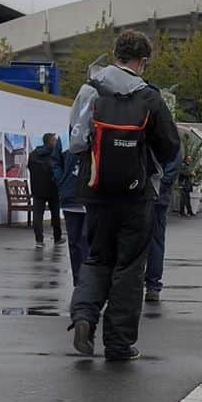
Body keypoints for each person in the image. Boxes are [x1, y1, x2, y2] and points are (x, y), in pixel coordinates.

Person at [67, 29, 181, 361]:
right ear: (142, 61)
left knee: (97, 257)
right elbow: (171, 145)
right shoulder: (149, 97)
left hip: (96, 192)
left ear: (115, 54)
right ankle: (118, 344)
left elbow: (75, 140)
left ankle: (84, 316)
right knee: (130, 268)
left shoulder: (90, 89)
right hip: (136, 196)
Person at [144, 150, 182, 302]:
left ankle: (148, 285)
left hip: (140, 194)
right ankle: (152, 286)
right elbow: (175, 161)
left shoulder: (138, 126)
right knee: (155, 241)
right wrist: (162, 184)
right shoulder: (169, 130)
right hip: (158, 195)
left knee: (135, 240)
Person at [51, 137, 87, 285]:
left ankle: (91, 283)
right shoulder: (65, 138)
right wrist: (61, 180)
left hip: (94, 197)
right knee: (75, 242)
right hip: (70, 196)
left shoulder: (98, 129)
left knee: (90, 240)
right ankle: (79, 281)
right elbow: (55, 162)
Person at [28, 132, 63, 247]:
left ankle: (39, 240)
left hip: (37, 189)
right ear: (51, 141)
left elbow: (30, 168)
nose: (56, 142)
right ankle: (57, 238)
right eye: (55, 140)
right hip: (52, 189)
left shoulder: (33, 154)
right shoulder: (55, 155)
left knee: (37, 215)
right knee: (55, 215)